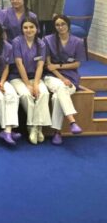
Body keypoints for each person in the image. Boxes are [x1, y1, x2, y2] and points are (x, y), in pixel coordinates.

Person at [44, 15, 85, 144]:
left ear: (68, 25)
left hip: (71, 77)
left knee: (57, 97)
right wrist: (62, 78)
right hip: (52, 76)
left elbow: (77, 64)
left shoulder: (78, 42)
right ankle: (72, 121)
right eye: (57, 25)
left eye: (63, 24)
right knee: (62, 87)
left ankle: (57, 132)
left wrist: (58, 66)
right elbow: (49, 65)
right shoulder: (48, 40)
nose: (60, 27)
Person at [10, 18, 52, 144]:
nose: (28, 30)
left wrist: (36, 84)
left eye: (31, 27)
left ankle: (36, 127)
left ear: (37, 29)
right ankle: (33, 127)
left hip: (35, 77)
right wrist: (28, 84)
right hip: (18, 77)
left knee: (44, 93)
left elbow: (40, 65)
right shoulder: (16, 42)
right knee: (25, 94)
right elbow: (19, 64)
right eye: (25, 27)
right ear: (22, 29)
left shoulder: (41, 44)